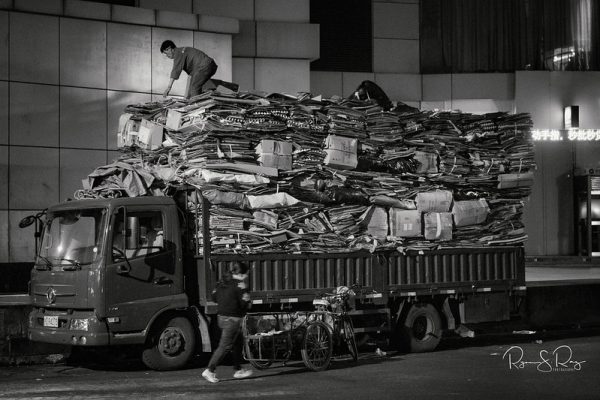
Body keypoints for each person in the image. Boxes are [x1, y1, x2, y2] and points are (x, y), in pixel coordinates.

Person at [202, 262, 253, 383]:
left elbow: (214, 297)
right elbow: (245, 304)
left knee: (237, 342)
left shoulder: (223, 282)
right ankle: (210, 370)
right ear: (242, 273)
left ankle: (238, 369)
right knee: (224, 346)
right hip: (233, 320)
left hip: (221, 318)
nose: (246, 276)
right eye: (246, 274)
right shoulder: (240, 285)